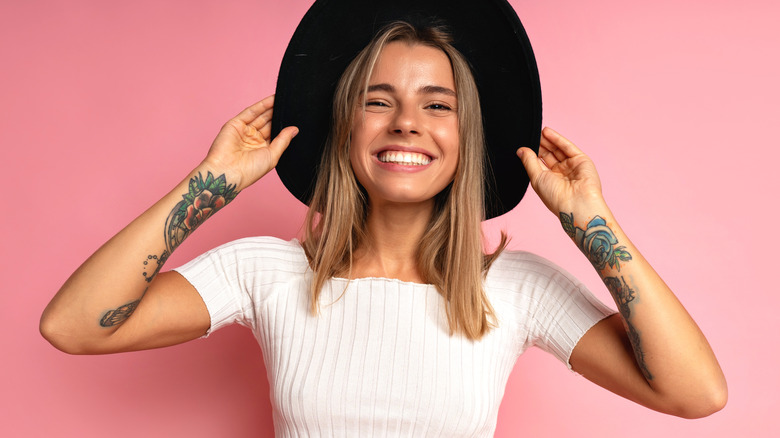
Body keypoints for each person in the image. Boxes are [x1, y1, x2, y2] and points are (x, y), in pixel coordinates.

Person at [40, 0, 726, 435]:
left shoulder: (516, 289)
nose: (406, 123)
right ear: (344, 128)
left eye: (436, 104)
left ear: (467, 138)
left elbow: (695, 394)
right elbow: (72, 326)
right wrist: (208, 185)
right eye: (378, 100)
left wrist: (591, 223)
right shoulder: (266, 271)